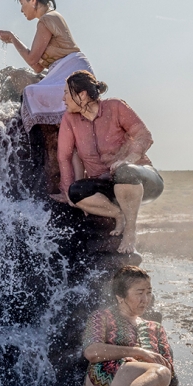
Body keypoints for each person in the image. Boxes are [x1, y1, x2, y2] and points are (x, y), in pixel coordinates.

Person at [55, 70, 163, 254]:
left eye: (66, 93)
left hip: (141, 178)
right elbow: (64, 156)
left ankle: (130, 230)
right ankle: (117, 214)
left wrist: (127, 160)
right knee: (75, 191)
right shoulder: (69, 119)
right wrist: (67, 191)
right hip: (106, 184)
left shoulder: (115, 107)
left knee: (124, 172)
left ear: (82, 94)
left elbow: (144, 136)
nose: (63, 98)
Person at [81, 266, 173, 386]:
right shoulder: (102, 317)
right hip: (107, 385)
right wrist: (137, 353)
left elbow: (169, 365)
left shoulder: (155, 328)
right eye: (139, 293)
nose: (145, 299)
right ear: (120, 296)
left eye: (149, 293)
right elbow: (91, 352)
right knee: (159, 373)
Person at [0, 0, 94, 132]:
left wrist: (13, 38)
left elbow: (32, 59)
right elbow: (37, 67)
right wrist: (12, 40)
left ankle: (36, 151)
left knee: (29, 94)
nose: (21, 9)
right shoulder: (50, 18)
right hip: (69, 70)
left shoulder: (46, 20)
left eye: (22, 3)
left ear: (33, 0)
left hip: (72, 71)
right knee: (33, 94)